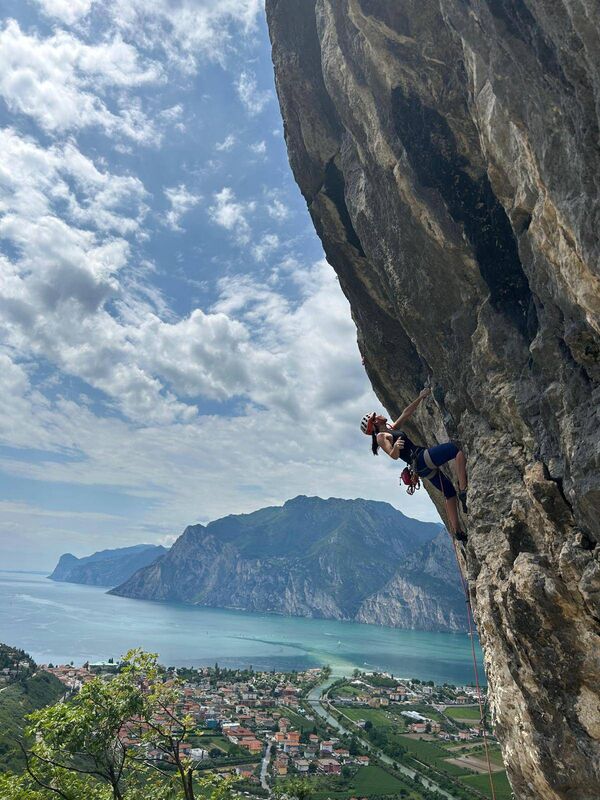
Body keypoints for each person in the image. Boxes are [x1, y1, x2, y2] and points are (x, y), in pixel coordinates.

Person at [360, 389, 469, 542]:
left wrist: (420, 398)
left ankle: (457, 531)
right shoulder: (381, 436)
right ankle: (464, 490)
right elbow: (393, 455)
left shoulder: (390, 429)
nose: (378, 415)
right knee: (455, 450)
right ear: (375, 423)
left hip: (421, 468)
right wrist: (396, 447)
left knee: (450, 493)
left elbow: (406, 414)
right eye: (375, 416)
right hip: (421, 458)